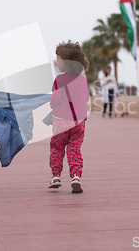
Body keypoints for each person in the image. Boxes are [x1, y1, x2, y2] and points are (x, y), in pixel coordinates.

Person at [48, 40, 89, 193]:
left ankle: (56, 176)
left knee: (57, 148)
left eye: (58, 60)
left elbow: (55, 101)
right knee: (74, 149)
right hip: (78, 122)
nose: (56, 63)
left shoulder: (59, 80)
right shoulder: (83, 79)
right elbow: (85, 99)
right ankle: (76, 176)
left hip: (61, 122)